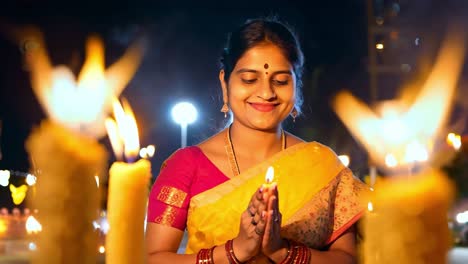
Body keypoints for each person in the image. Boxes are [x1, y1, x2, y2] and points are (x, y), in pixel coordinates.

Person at [145, 17, 367, 264]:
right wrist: (233, 252)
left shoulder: (323, 166)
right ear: (225, 82)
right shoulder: (187, 165)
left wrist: (284, 252)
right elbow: (153, 259)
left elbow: (348, 259)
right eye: (249, 79)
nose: (266, 92)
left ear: (296, 85)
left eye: (281, 81)